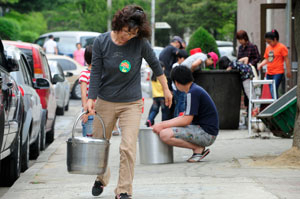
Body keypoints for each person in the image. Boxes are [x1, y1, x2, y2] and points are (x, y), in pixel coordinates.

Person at [86, 5, 172, 199]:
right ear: (120, 24)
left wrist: (166, 89)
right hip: (105, 100)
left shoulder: (139, 42)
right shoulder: (101, 41)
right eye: (127, 32)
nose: (129, 37)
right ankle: (102, 176)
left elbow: (156, 65)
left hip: (131, 103)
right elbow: (96, 71)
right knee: (100, 143)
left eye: (134, 34)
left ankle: (124, 190)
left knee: (128, 146)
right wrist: (90, 98)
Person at [152, 65, 218, 162]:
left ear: (177, 83)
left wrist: (162, 124)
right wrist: (164, 124)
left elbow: (186, 120)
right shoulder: (194, 90)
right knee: (165, 130)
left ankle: (197, 149)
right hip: (206, 131)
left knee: (165, 134)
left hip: (207, 134)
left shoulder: (192, 93)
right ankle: (197, 148)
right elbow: (185, 117)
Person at [257, 29, 291, 98]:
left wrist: (288, 71)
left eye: (269, 42)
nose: (269, 44)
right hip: (269, 73)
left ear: (275, 39)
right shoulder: (268, 48)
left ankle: (277, 106)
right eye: (267, 42)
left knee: (273, 90)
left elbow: (286, 60)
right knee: (272, 92)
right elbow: (267, 59)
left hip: (278, 72)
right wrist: (261, 64)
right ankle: (276, 105)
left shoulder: (282, 47)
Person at [236, 30, 261, 109]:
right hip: (243, 73)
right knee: (245, 91)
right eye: (239, 40)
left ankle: (254, 108)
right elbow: (238, 59)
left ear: (245, 38)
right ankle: (248, 109)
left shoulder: (252, 46)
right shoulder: (240, 48)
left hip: (251, 73)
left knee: (252, 91)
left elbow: (258, 57)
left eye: (241, 39)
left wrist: (250, 63)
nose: (240, 41)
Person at [145, 61, 169, 127]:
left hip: (155, 97)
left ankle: (149, 119)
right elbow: (165, 86)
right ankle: (163, 124)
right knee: (164, 111)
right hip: (162, 97)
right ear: (162, 68)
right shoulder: (163, 77)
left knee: (154, 110)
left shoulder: (153, 77)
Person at [79, 45, 93, 137]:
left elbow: (84, 94)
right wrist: (86, 112)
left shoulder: (84, 74)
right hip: (90, 111)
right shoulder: (85, 74)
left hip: (95, 111)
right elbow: (84, 94)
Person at [172, 49, 188, 117]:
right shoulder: (176, 66)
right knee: (181, 104)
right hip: (179, 88)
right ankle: (180, 118)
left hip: (176, 88)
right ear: (179, 58)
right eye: (184, 58)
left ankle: (176, 118)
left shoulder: (176, 65)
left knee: (179, 104)